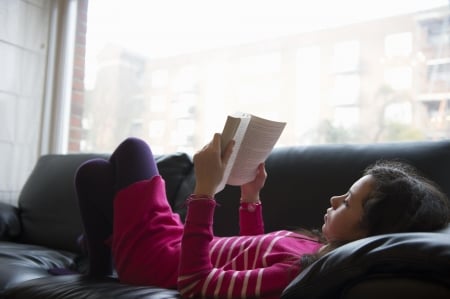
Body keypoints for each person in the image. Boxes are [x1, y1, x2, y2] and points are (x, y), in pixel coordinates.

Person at [75, 134, 449, 299]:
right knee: (93, 173)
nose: (335, 198)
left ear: (369, 233)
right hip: (172, 243)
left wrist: (204, 192)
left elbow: (194, 284)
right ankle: (98, 261)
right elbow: (248, 250)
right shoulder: (313, 250)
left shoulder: (293, 276)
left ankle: (107, 260)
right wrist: (250, 198)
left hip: (158, 259)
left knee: (134, 149)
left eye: (347, 202)